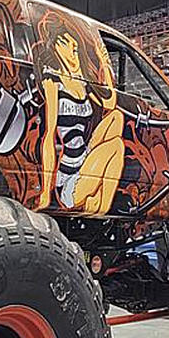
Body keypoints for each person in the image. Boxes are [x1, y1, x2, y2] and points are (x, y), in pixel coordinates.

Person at [36, 23, 125, 215]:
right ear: (57, 47)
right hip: (69, 178)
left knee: (116, 118)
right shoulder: (52, 82)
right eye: (70, 48)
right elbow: (49, 137)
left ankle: (100, 204)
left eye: (76, 49)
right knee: (116, 146)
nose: (74, 55)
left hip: (85, 160)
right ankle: (101, 210)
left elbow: (110, 103)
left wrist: (104, 60)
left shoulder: (81, 82)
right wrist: (45, 192)